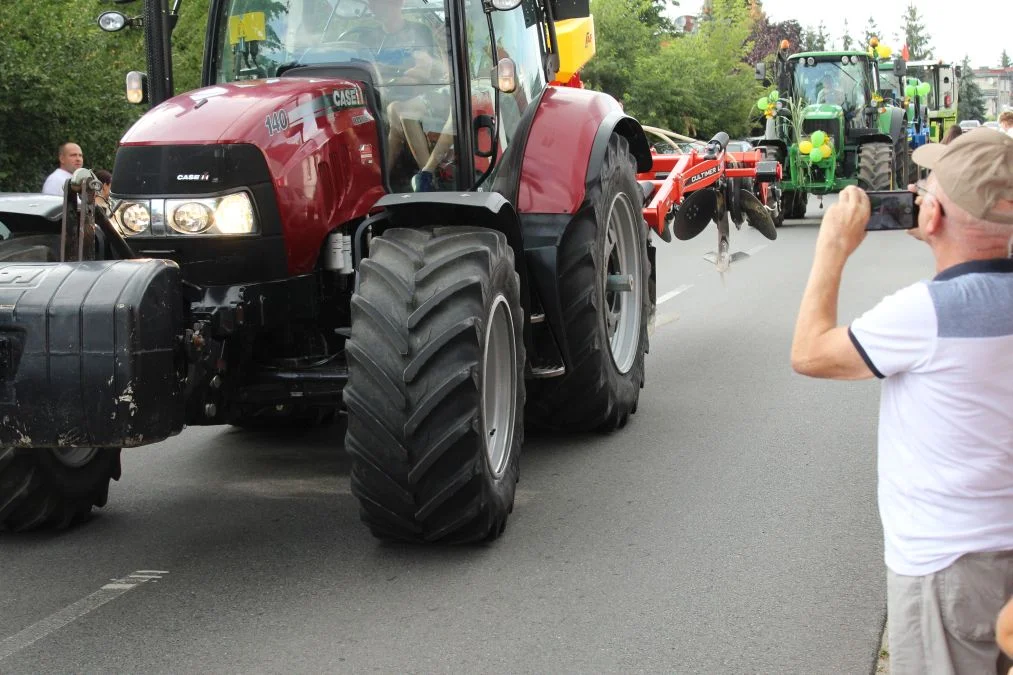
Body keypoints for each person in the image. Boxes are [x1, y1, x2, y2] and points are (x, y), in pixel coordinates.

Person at [791, 128, 1013, 675]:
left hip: (946, 568)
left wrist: (832, 250)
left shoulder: (923, 314)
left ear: (932, 216)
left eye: (925, 186)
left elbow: (809, 353)